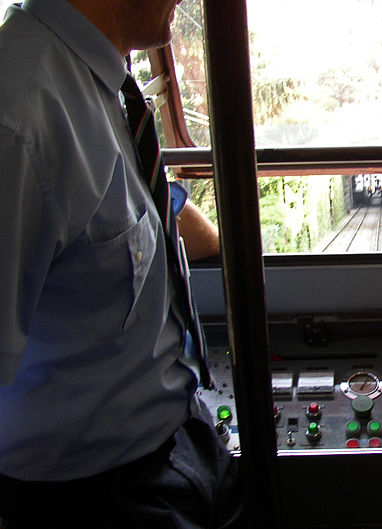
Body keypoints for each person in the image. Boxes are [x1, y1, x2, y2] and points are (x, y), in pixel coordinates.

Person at [0, 0, 243, 527]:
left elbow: (124, 217)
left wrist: (233, 249)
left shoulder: (100, 79)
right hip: (91, 495)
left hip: (181, 431)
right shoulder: (18, 114)